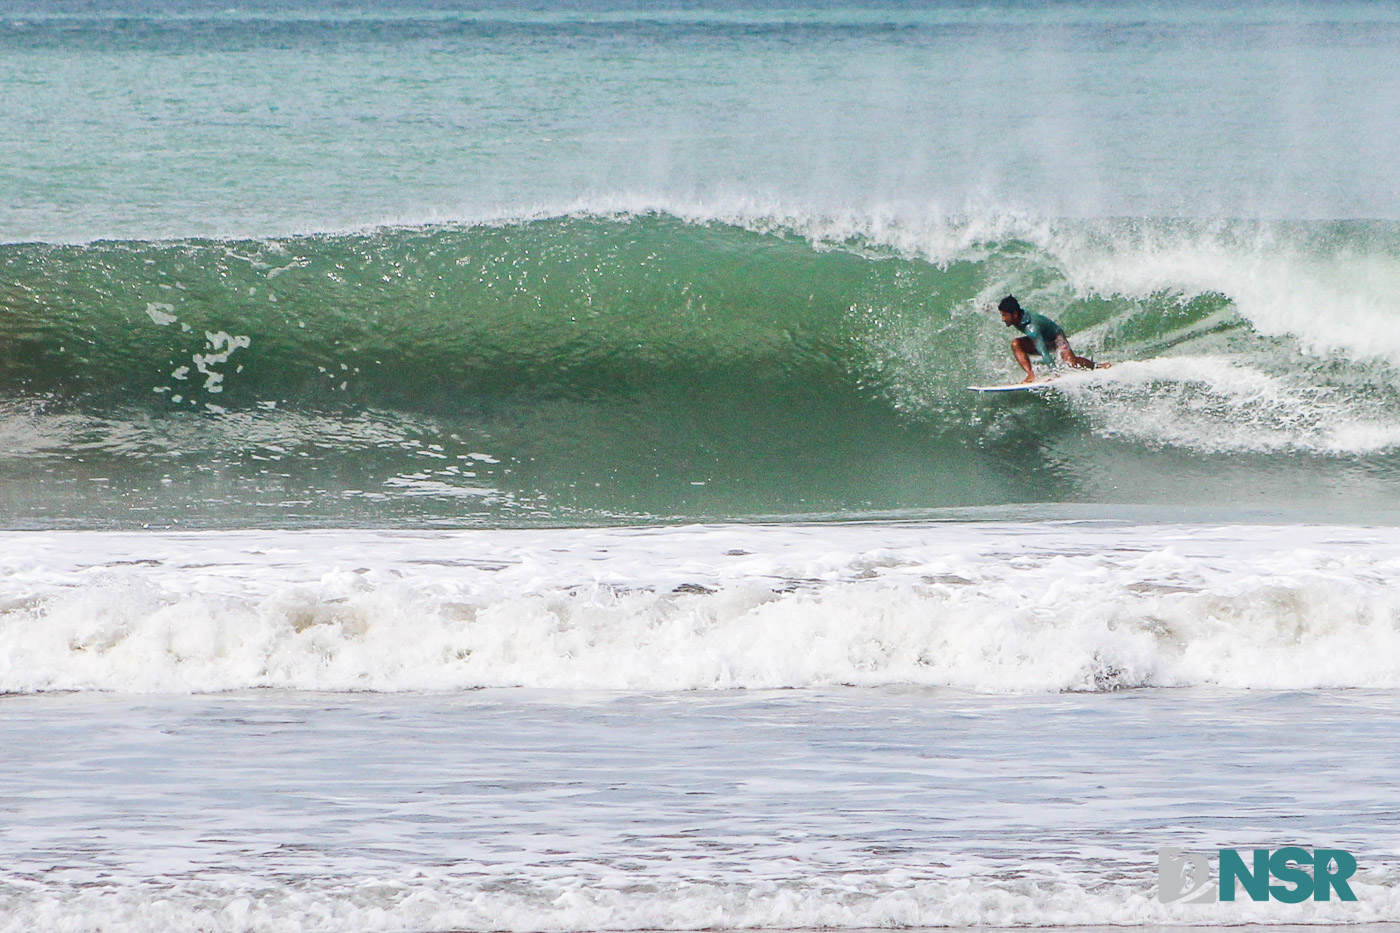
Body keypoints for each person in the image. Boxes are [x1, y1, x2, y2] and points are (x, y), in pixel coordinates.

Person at [997, 295, 1107, 383]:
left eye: (1005, 315)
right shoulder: (1016, 315)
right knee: (1016, 344)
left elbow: (1043, 351)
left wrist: (1054, 373)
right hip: (1042, 337)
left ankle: (1097, 366)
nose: (1003, 319)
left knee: (1071, 362)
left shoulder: (1031, 329)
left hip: (1056, 337)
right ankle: (1030, 374)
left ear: (1015, 314)